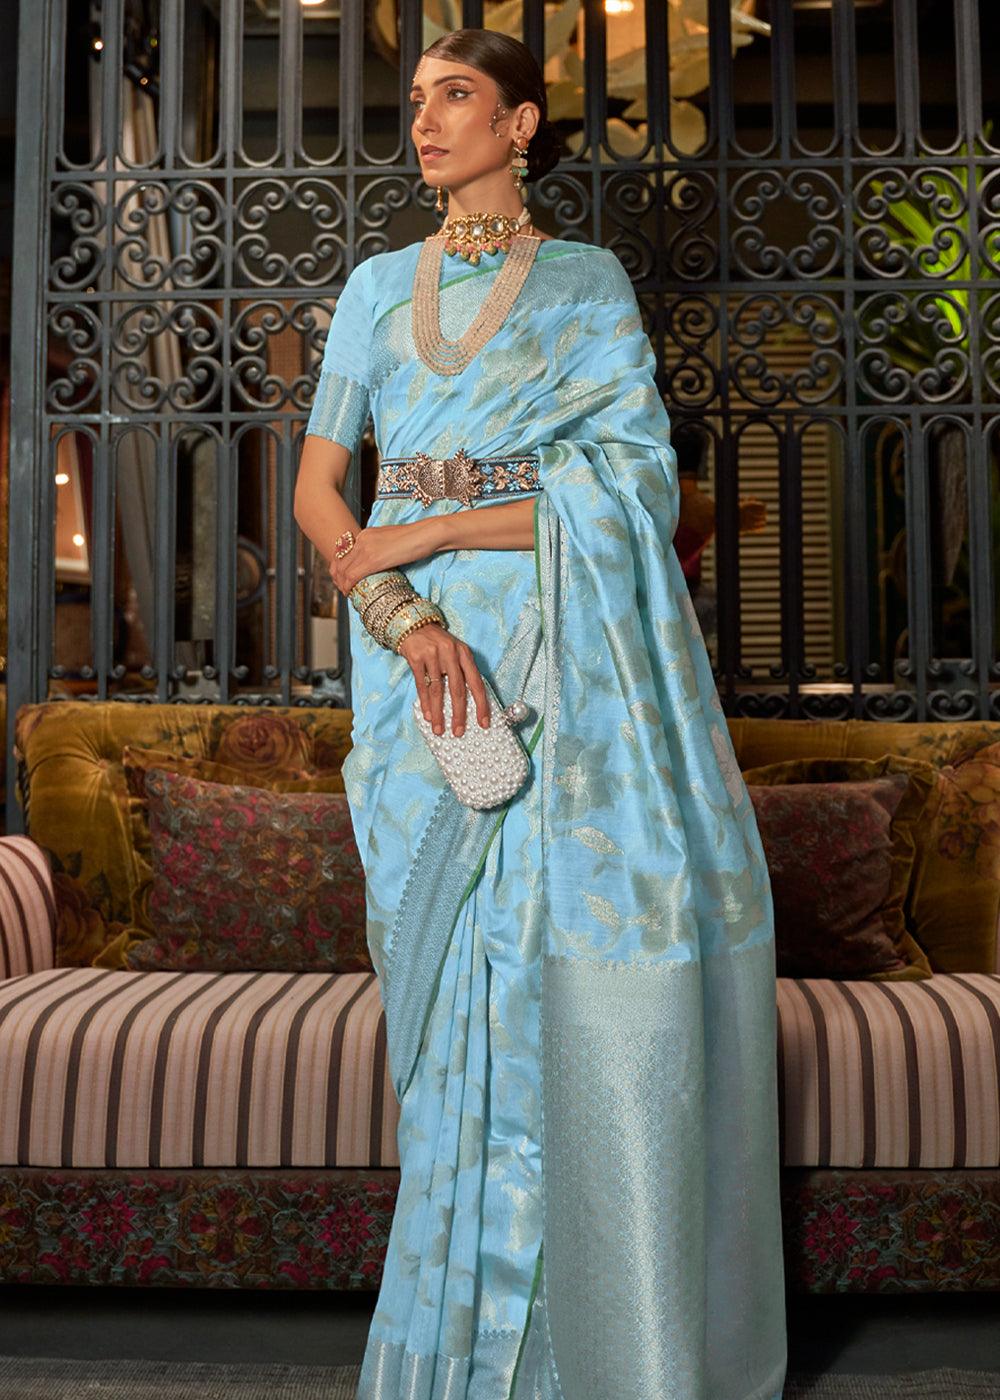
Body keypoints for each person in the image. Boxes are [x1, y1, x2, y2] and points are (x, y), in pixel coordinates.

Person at [293, 27, 787, 1400]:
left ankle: (568, 1354)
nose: (426, 120)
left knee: (538, 977)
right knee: (445, 988)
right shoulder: (375, 289)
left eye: (457, 96)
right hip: (414, 665)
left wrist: (429, 530)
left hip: (557, 656)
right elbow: (319, 491)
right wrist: (405, 615)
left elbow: (635, 488)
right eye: (415, 99)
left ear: (521, 125)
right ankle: (444, 1352)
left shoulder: (584, 283)